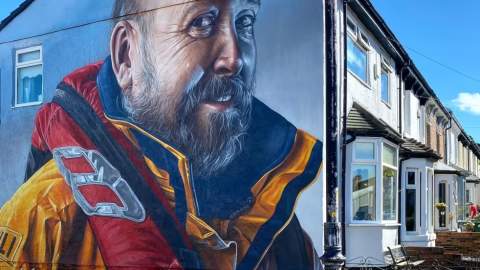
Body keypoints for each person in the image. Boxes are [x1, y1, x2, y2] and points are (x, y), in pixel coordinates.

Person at [0, 0, 323, 269]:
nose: (234, 58)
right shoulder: (46, 218)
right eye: (201, 22)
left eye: (246, 21)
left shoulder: (280, 230)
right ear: (127, 56)